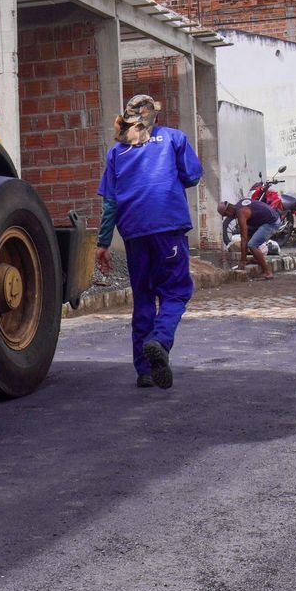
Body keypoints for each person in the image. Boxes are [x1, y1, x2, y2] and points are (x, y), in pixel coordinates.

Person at [95, 94, 204, 390]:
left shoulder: (117, 152)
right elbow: (193, 177)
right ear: (154, 116)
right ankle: (159, 341)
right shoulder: (174, 139)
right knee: (176, 292)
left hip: (133, 234)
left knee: (143, 297)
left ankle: (144, 370)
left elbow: (109, 204)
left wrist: (103, 244)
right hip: (167, 228)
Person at [218, 197, 284, 280]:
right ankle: (257, 259)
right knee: (249, 235)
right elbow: (246, 234)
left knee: (252, 244)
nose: (228, 216)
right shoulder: (239, 204)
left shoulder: (241, 212)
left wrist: (242, 261)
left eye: (226, 215)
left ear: (228, 211)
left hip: (272, 222)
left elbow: (243, 238)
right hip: (270, 218)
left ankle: (267, 272)